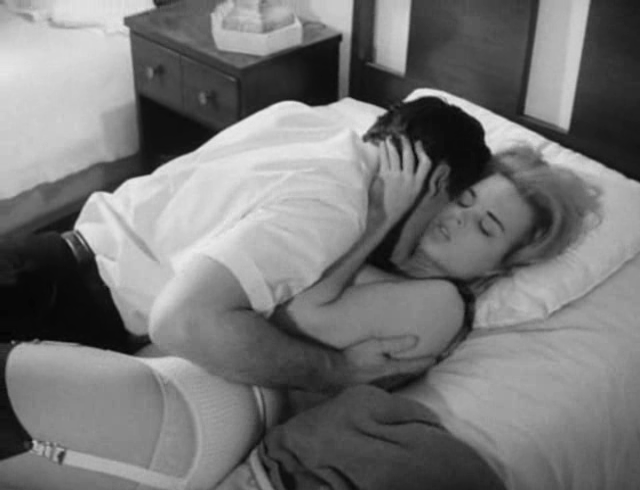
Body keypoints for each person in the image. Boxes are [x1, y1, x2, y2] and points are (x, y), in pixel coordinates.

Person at [0, 144, 601, 490]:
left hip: (214, 403)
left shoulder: (440, 303)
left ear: (498, 267)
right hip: (190, 386)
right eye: (464, 199)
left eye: (486, 227)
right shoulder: (399, 270)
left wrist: (377, 222)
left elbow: (301, 317)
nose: (456, 218)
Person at [0, 96, 491, 391]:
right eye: (450, 205)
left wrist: (381, 221)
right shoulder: (334, 208)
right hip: (62, 308)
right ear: (436, 180)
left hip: (46, 255)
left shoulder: (300, 119)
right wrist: (336, 369)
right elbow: (181, 321)